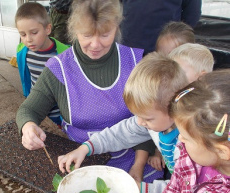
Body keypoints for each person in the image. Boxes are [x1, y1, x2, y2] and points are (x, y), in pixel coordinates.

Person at [16, 0, 162, 180]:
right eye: (86, 35)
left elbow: (147, 122)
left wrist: (138, 167)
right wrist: (28, 127)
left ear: (116, 27)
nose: (95, 45)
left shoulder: (133, 62)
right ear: (74, 29)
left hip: (133, 158)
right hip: (78, 159)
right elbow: (28, 110)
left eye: (104, 35)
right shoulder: (60, 68)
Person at [58, 52, 188, 190]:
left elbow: (185, 189)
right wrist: (85, 148)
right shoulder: (152, 123)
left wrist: (140, 189)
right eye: (137, 115)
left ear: (173, 110)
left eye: (147, 118)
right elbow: (119, 134)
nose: (139, 122)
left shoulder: (189, 145)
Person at [160, 69, 230, 193]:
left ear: (222, 151)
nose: (180, 139)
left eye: (186, 137)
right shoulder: (189, 154)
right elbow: (174, 187)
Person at [146, 43, 215, 174]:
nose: (172, 79)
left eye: (179, 72)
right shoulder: (167, 105)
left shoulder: (199, 126)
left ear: (202, 78)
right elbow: (133, 128)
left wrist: (141, 188)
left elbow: (188, 182)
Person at [15, 2, 69, 126]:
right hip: (38, 113)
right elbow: (27, 81)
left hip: (61, 116)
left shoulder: (64, 55)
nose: (28, 39)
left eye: (34, 32)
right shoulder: (22, 52)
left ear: (48, 29)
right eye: (23, 34)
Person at [120, 0, 201, 55]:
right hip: (129, 44)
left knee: (165, 78)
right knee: (128, 78)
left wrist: (178, 36)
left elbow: (193, 13)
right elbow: (114, 6)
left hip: (167, 47)